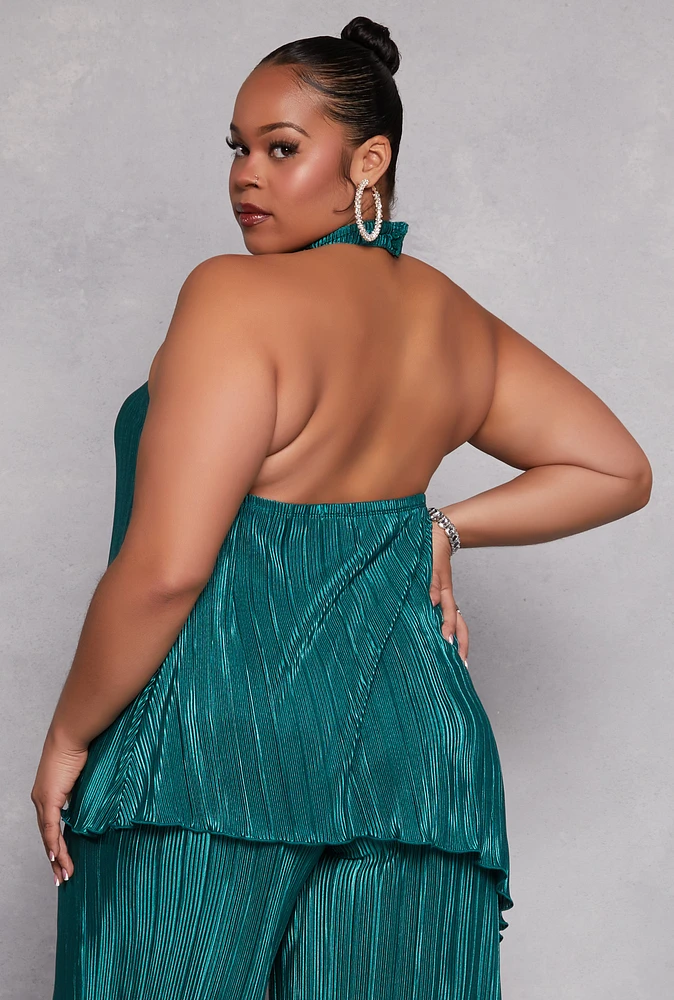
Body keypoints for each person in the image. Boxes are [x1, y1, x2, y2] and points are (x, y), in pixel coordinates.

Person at [31, 16, 652, 1000]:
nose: (246, 175)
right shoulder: (449, 317)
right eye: (237, 148)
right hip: (415, 769)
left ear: (370, 162)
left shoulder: (231, 296)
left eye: (281, 148)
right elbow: (615, 467)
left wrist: (70, 735)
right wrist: (444, 526)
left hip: (211, 757)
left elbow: (166, 573)